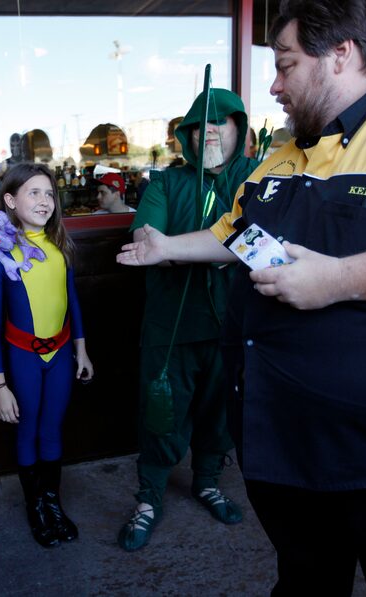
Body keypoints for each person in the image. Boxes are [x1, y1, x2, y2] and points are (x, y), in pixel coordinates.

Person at [117, 0, 366, 593]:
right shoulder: (290, 152)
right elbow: (236, 236)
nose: (273, 85)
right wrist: (167, 248)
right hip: (291, 451)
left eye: (286, 65)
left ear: (341, 53)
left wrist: (338, 279)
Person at [116, 88, 259, 552]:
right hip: (170, 327)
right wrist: (215, 251)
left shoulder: (256, 179)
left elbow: (261, 241)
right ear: (187, 136)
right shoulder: (166, 183)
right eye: (199, 125)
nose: (210, 130)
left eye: (221, 122)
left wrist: (179, 249)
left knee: (220, 413)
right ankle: (149, 496)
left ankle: (208, 481)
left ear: (240, 129)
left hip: (235, 326)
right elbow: (146, 239)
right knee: (162, 413)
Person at [0, 163, 94, 548]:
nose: (44, 201)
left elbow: (72, 302)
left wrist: (81, 349)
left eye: (49, 193)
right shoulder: (1, 254)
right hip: (23, 359)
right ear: (11, 200)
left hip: (61, 356)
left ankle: (52, 504)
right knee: (28, 430)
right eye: (34, 193)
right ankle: (36, 508)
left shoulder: (60, 245)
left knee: (52, 430)